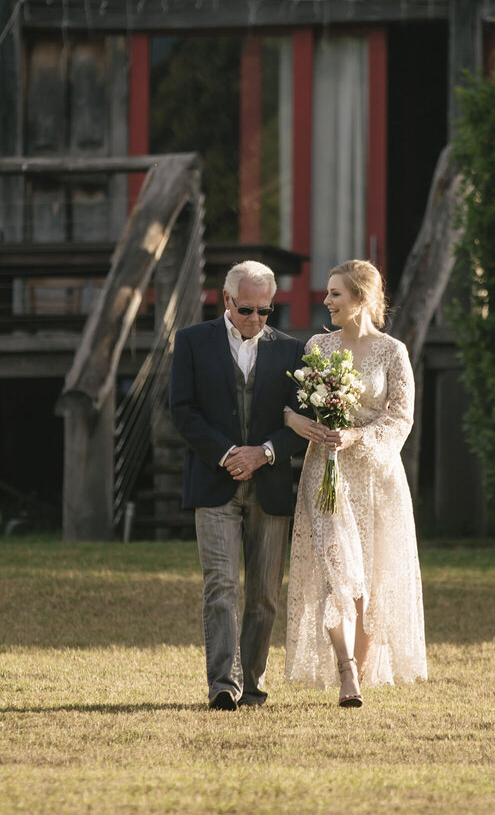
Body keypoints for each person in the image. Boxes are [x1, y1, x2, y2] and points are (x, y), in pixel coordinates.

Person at [282, 258, 427, 707]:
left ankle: (359, 677)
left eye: (335, 294)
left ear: (362, 298)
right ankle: (345, 670)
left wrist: (357, 436)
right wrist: (294, 421)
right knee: (335, 574)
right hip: (325, 473)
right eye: (327, 294)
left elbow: (401, 419)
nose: (326, 301)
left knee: (369, 581)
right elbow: (290, 403)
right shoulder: (318, 348)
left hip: (377, 478)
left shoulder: (392, 351)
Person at [169, 260, 308, 710]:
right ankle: (222, 685)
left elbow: (301, 424)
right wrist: (229, 455)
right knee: (221, 584)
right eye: (247, 309)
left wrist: (264, 453)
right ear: (226, 300)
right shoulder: (192, 342)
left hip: (269, 484)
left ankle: (252, 685)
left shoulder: (292, 352)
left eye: (265, 312)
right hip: (214, 482)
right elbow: (182, 411)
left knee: (264, 594)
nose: (255, 320)